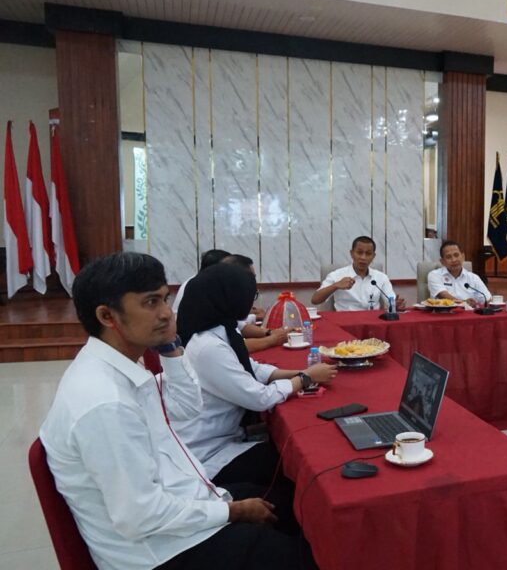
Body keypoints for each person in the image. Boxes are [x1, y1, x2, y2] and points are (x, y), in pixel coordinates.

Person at [38, 252, 313, 570]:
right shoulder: (104, 402)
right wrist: (233, 511)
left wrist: (170, 349)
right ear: (107, 316)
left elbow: (187, 408)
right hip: (163, 551)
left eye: (165, 299)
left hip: (185, 502)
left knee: (299, 503)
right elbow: (140, 515)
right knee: (306, 553)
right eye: (151, 302)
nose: (167, 314)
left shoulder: (120, 365)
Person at [174, 263, 337, 486]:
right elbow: (259, 398)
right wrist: (304, 379)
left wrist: (302, 372)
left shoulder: (222, 331)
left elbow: (253, 369)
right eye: (250, 295)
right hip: (207, 452)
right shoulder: (208, 347)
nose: (252, 301)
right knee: (295, 464)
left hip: (225, 436)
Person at [311, 236, 405, 311]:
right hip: (345, 322)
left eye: (368, 254)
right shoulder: (336, 275)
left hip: (373, 321)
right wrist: (336, 286)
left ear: (373, 256)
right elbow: (315, 300)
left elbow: (391, 301)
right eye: (359, 253)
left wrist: (396, 305)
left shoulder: (381, 277)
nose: (363, 257)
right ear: (352, 253)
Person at [427, 240, 492, 307]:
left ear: (463, 257)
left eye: (456, 255)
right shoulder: (434, 275)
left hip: (468, 312)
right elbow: (443, 295)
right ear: (442, 261)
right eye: (448, 257)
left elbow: (487, 299)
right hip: (444, 312)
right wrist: (464, 303)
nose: (454, 260)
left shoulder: (473, 278)